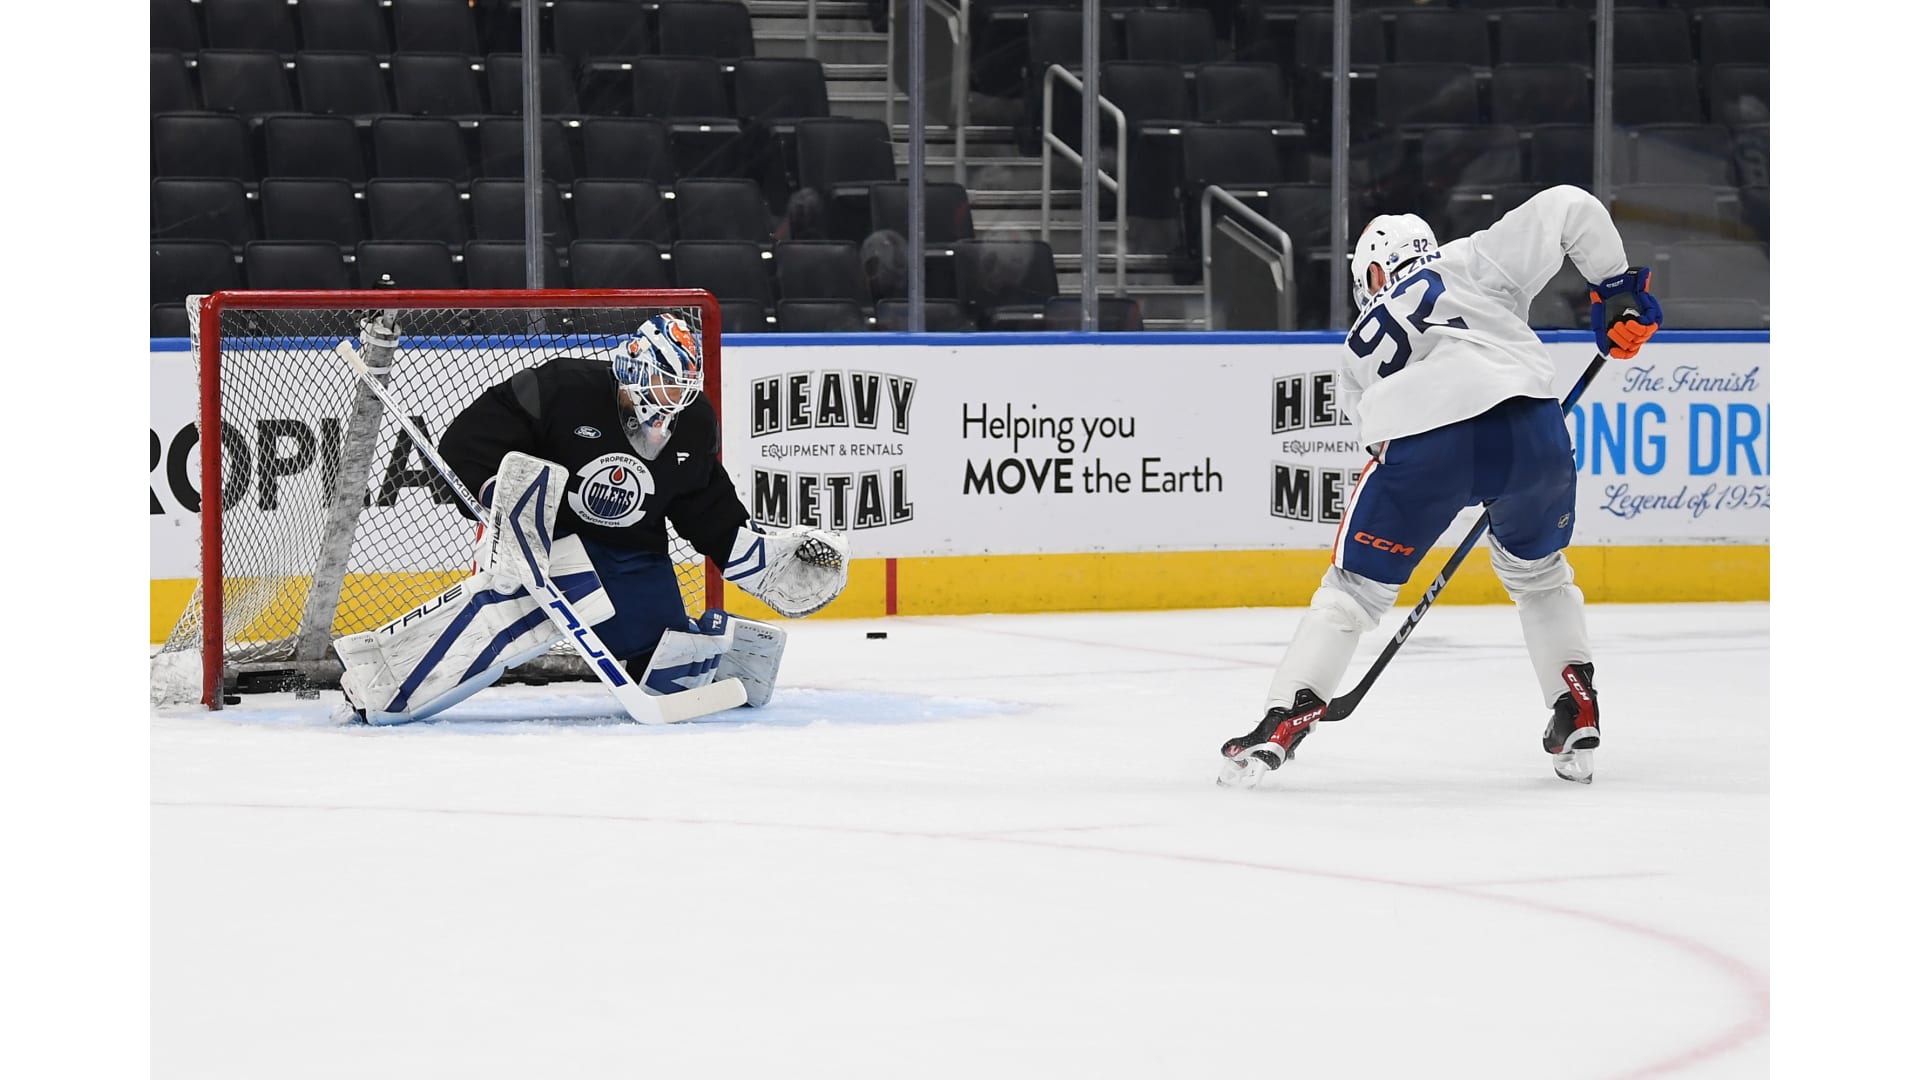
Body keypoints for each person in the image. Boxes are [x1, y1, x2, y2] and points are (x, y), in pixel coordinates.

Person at [1218, 185, 1662, 787]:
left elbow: (1376, 437)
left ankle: (1285, 716)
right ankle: (1575, 704)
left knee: (1352, 593)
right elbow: (1569, 206)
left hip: (1424, 449)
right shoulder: (1473, 260)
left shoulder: (1356, 348)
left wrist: (1458, 468)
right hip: (1532, 432)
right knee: (1538, 575)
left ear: (1375, 273)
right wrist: (1617, 290)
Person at [332, 313, 850, 725]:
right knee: (510, 621)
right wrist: (497, 497)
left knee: (668, 664)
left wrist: (759, 557)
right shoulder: (562, 388)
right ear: (633, 369)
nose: (671, 401)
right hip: (550, 541)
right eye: (663, 384)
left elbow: (703, 502)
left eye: (682, 389)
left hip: (635, 553)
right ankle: (380, 680)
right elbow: (469, 441)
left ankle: (713, 645)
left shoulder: (692, 423)